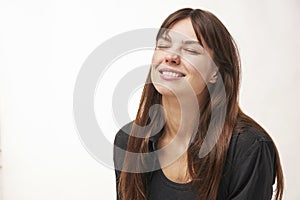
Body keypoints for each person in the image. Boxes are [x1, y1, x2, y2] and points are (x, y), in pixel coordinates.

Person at [113, 8, 284, 200]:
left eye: (190, 50)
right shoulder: (130, 141)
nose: (171, 57)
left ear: (214, 72)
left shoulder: (248, 149)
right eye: (164, 45)